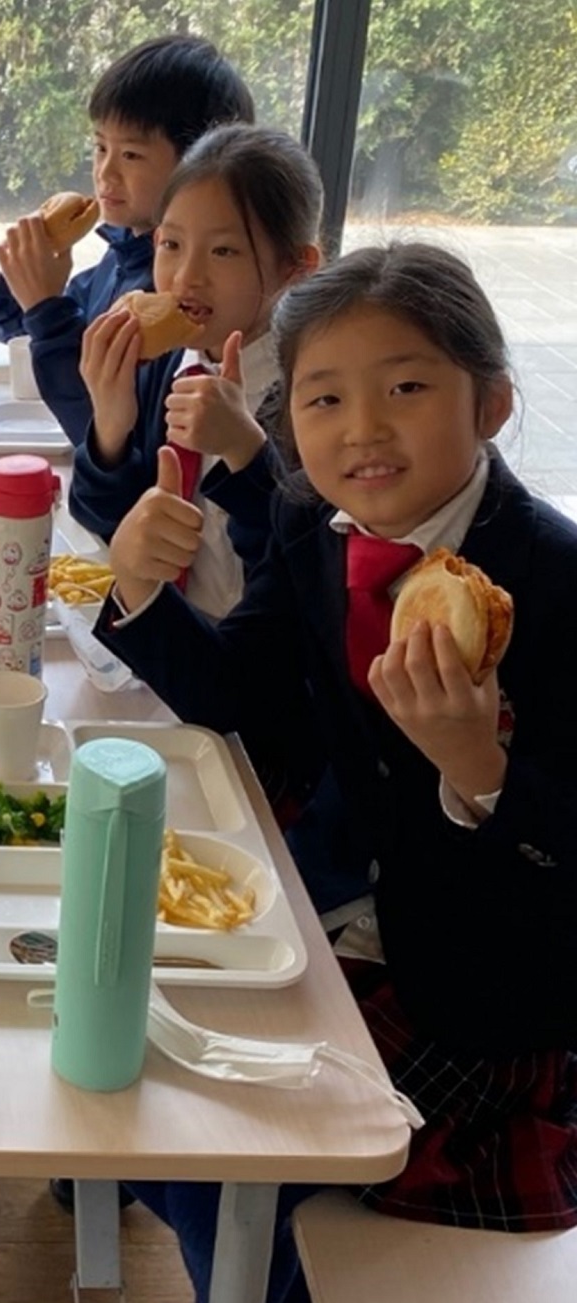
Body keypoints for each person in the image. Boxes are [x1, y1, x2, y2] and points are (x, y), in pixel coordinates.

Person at [94, 242, 577, 1302]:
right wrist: (134, 589)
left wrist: (482, 775)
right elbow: (239, 693)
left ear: (490, 402)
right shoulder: (316, 529)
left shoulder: (554, 581)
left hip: (483, 996)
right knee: (109, 1063)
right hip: (332, 916)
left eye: (405, 388)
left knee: (221, 1169)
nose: (360, 428)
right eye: (320, 398)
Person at [0, 35, 254, 446]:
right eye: (100, 147)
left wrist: (43, 305)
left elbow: (95, 423)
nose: (105, 173)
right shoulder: (123, 255)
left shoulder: (174, 300)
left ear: (198, 164)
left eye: (131, 155)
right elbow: (48, 332)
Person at [71, 123, 323, 620]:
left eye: (224, 251)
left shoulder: (314, 395)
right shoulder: (168, 363)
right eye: (171, 246)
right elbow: (102, 522)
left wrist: (244, 451)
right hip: (167, 646)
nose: (187, 277)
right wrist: (110, 427)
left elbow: (313, 569)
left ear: (297, 267)